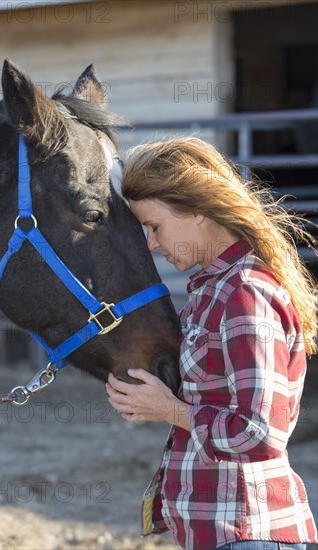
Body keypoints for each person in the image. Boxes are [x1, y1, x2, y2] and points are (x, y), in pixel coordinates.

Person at [105, 137, 318, 550]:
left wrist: (169, 409)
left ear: (196, 209)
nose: (151, 244)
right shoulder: (212, 290)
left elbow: (259, 433)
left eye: (154, 227)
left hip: (249, 533)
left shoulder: (244, 293)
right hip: (221, 533)